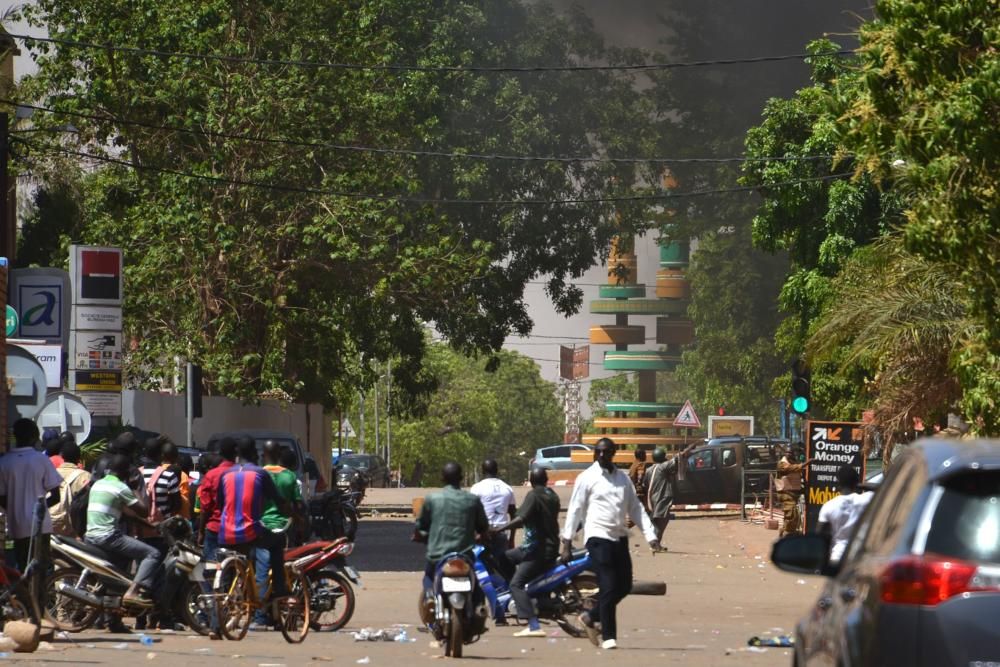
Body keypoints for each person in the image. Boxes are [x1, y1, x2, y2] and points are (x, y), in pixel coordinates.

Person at [561, 437, 659, 650]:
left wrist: (651, 535)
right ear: (595, 454)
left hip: (619, 537)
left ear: (614, 453)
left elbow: (635, 508)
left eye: (606, 452)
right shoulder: (587, 478)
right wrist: (567, 541)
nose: (602, 455)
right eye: (598, 452)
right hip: (597, 537)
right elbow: (575, 510)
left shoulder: (623, 479)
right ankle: (609, 635)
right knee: (607, 584)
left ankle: (590, 616)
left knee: (623, 585)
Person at [0, 418, 63, 614]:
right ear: (35, 437)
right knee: (41, 570)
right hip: (40, 525)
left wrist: (14, 509)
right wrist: (40, 508)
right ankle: (40, 612)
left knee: (22, 569)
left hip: (17, 525)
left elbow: (1, 496)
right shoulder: (40, 459)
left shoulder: (5, 462)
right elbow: (56, 494)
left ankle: (27, 610)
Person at [218, 437, 291, 604]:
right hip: (250, 533)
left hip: (225, 534)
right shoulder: (260, 473)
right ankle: (280, 589)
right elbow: (277, 500)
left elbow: (221, 504)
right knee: (277, 541)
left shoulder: (225, 474)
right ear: (254, 453)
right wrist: (290, 513)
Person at [490, 466, 560, 638]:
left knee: (516, 583)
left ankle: (533, 624)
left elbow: (521, 519)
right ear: (546, 480)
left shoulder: (534, 495)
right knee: (505, 557)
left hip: (538, 549)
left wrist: (499, 530)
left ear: (531, 482)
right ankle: (519, 597)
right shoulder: (552, 495)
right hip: (541, 546)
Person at [85, 453, 162, 607]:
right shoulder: (121, 487)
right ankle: (133, 592)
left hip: (91, 536)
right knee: (153, 554)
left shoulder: (98, 484)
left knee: (120, 570)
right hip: (108, 537)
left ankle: (112, 616)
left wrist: (152, 527)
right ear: (125, 472)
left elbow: (129, 514)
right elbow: (144, 511)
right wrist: (134, 489)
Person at [413, 462, 490, 593]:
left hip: (438, 555)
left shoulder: (432, 499)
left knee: (428, 578)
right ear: (461, 478)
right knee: (476, 585)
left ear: (442, 478)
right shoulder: (472, 500)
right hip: (464, 555)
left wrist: (419, 536)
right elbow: (483, 527)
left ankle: (430, 596)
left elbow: (420, 526)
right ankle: (478, 607)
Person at [252, 440, 303, 629]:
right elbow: (297, 504)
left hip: (262, 528)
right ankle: (279, 616)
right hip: (283, 528)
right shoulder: (289, 476)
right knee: (280, 571)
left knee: (262, 573)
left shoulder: (258, 475)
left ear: (264, 454)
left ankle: (260, 617)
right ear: (279, 455)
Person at [469, 459, 516, 582]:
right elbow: (513, 515)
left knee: (480, 570)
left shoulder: (476, 488)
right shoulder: (507, 488)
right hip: (501, 533)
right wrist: (511, 539)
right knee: (502, 569)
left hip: (482, 536)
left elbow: (471, 514)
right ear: (497, 470)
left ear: (483, 471)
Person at [817, 464, 874, 564]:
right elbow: (884, 487)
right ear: (856, 482)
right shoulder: (866, 499)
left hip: (837, 558)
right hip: (860, 558)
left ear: (838, 483)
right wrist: (861, 485)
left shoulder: (828, 506)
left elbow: (819, 537)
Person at [643, 443, 698, 545]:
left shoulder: (649, 470)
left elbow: (645, 484)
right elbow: (677, 458)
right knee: (662, 522)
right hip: (662, 497)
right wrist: (688, 449)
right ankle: (655, 545)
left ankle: (655, 543)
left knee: (657, 521)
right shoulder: (663, 466)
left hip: (652, 498)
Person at [198, 436, 237, 561]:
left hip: (215, 527)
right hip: (238, 529)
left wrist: (201, 531)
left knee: (210, 569)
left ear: (220, 453)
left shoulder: (211, 475)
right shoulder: (243, 473)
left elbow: (205, 507)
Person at [51, 440, 93, 537]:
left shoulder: (51, 473)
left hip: (51, 524)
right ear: (79, 458)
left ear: (62, 456)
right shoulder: (85, 476)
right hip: (73, 530)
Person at [776, 442, 813, 537]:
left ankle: (784, 532)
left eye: (790, 453)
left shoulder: (793, 461)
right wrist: (806, 463)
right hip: (785, 493)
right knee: (792, 515)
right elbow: (792, 469)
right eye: (787, 453)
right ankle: (786, 535)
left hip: (793, 493)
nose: (788, 454)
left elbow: (798, 476)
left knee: (790, 516)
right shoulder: (782, 463)